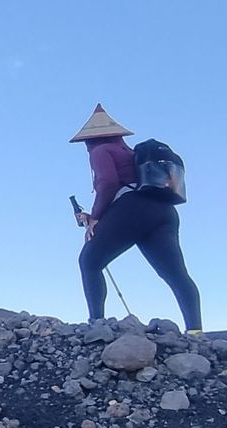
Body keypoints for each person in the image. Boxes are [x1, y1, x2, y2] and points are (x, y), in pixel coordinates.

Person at [68, 106, 202, 330]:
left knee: (89, 262)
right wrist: (93, 215)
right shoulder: (133, 156)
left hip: (132, 209)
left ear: (90, 139)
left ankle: (96, 323)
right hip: (164, 211)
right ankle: (196, 330)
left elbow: (108, 183)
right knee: (176, 274)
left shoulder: (100, 151)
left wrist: (96, 218)